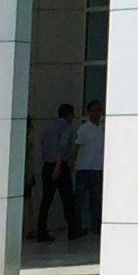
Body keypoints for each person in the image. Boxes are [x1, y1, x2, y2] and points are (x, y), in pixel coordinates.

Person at [28, 103, 76, 243]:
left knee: (46, 201)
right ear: (68, 115)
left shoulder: (48, 127)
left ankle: (41, 230)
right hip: (59, 166)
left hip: (47, 165)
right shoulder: (65, 127)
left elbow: (43, 146)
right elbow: (62, 147)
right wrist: (58, 166)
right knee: (68, 199)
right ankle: (73, 230)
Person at [71, 100, 106, 238]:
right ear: (89, 112)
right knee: (79, 200)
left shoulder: (103, 128)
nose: (97, 113)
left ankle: (96, 227)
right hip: (84, 168)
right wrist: (72, 163)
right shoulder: (84, 128)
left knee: (96, 200)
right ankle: (76, 227)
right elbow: (76, 147)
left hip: (98, 168)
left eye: (99, 110)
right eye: (94, 110)